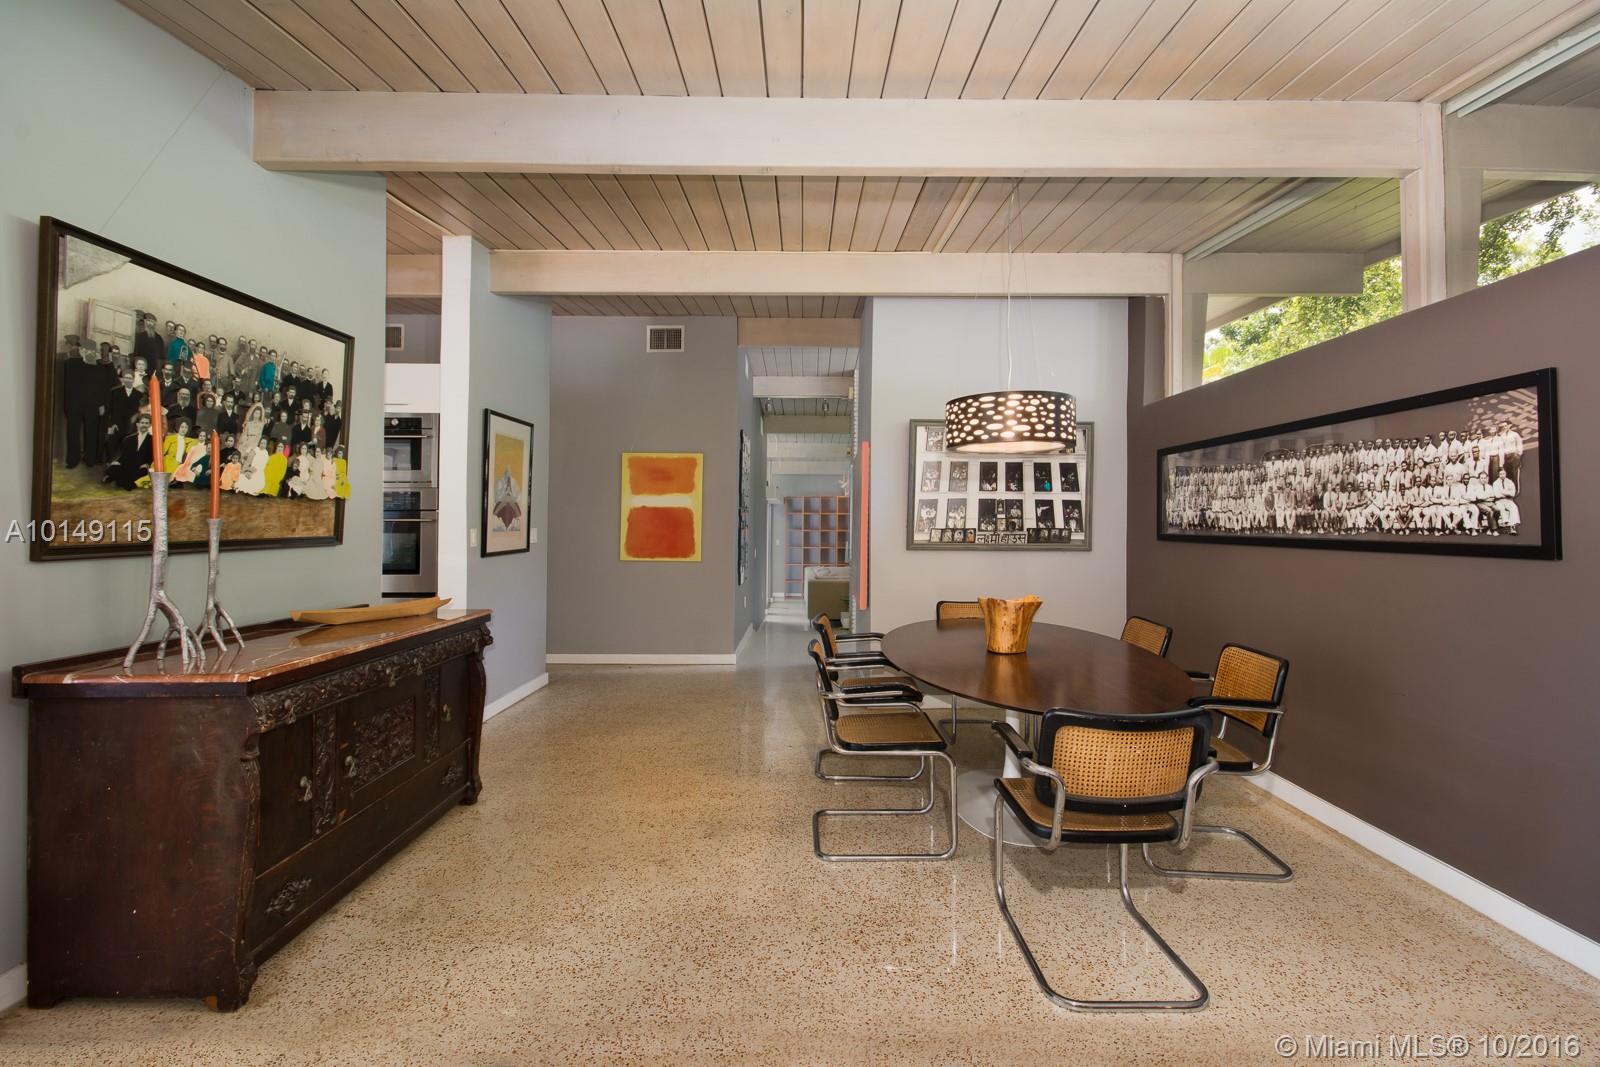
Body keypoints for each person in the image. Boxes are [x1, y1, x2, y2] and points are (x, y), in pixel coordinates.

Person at [62, 341, 108, 469]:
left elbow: (103, 388)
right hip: (74, 405)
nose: (88, 353)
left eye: (91, 351)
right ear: (81, 351)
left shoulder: (100, 368)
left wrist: (102, 404)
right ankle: (72, 460)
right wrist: (67, 405)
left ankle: (90, 459)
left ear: (94, 352)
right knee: (72, 433)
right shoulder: (71, 364)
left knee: (91, 433)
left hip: (92, 406)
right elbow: (67, 386)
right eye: (85, 350)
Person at [106, 412, 154, 490]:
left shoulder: (153, 440)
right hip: (127, 465)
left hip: (141, 467)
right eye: (142, 423)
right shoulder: (128, 439)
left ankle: (118, 480)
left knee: (132, 480)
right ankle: (119, 479)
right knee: (112, 468)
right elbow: (123, 455)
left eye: (146, 423)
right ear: (137, 424)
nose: (144, 425)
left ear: (150, 425)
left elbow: (152, 456)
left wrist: (147, 464)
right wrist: (118, 461)